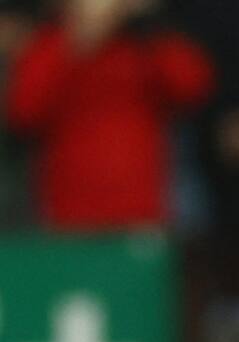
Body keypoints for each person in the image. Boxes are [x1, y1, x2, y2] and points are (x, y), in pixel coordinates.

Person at [5, 0, 214, 230]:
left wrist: (148, 26)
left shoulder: (146, 43)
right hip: (68, 210)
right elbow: (24, 110)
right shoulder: (51, 43)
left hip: (140, 207)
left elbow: (192, 86)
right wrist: (80, 40)